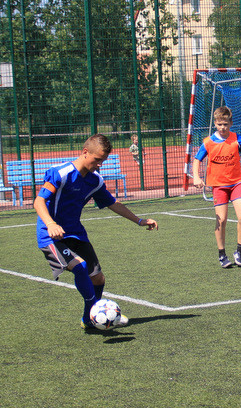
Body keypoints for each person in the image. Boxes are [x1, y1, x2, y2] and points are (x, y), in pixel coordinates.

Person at [33, 134, 158, 332]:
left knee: (98, 278)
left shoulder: (94, 180)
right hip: (51, 235)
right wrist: (50, 224)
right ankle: (97, 311)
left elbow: (112, 203)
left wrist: (139, 220)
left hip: (75, 233)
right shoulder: (61, 173)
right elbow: (39, 201)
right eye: (97, 159)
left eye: (103, 161)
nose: (100, 164)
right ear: (85, 152)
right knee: (80, 266)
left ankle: (88, 319)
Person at [192, 106, 241, 268]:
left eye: (225, 124)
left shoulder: (236, 138)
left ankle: (239, 251)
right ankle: (222, 254)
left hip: (236, 183)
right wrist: (196, 176)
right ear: (215, 124)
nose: (222, 127)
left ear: (230, 123)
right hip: (219, 186)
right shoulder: (208, 142)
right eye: (219, 124)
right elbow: (197, 160)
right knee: (222, 219)